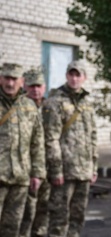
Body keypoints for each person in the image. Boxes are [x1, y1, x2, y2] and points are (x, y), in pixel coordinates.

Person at [42, 60, 98, 237]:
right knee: (59, 219)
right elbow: (51, 138)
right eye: (71, 74)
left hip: (83, 170)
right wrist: (56, 170)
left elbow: (93, 137)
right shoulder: (55, 102)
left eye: (78, 75)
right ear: (66, 76)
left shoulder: (87, 103)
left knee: (77, 217)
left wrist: (94, 167)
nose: (74, 79)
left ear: (84, 78)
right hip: (64, 172)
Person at [0, 63, 46, 236]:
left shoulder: (29, 106)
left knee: (12, 228)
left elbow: (37, 142)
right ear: (0, 79)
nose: (10, 83)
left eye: (14, 79)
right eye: (7, 78)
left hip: (20, 177)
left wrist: (37, 173)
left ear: (22, 81)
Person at [20, 68, 51, 237]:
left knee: (43, 209)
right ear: (24, 86)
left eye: (38, 86)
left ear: (44, 87)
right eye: (31, 86)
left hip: (46, 166)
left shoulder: (50, 108)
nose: (35, 90)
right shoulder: (18, 107)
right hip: (24, 168)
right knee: (25, 211)